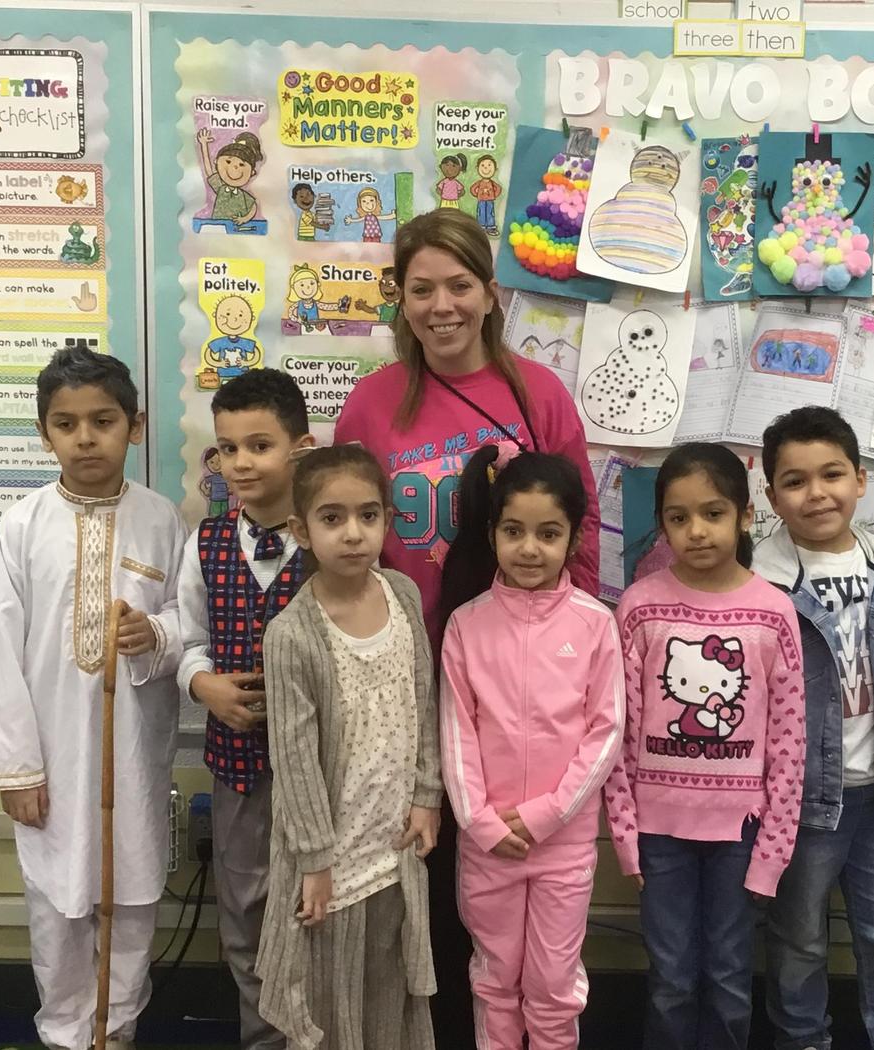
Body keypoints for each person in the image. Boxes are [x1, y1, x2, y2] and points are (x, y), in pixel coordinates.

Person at [333, 208, 600, 1043]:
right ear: (400, 301)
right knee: (430, 860)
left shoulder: (538, 394)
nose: (441, 305)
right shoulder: (374, 404)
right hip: (409, 669)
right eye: (421, 290)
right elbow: (349, 541)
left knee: (509, 853)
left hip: (516, 675)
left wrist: (578, 639)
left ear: (491, 293)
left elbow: (579, 530)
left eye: (459, 285)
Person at [0, 347, 187, 1050]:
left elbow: (193, 627)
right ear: (44, 433)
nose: (86, 437)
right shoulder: (21, 527)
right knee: (57, 907)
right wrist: (16, 770)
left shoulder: (163, 522)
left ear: (136, 425)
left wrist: (152, 632)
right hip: (52, 764)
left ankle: (115, 1030)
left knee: (131, 898)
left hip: (132, 755)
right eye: (66, 424)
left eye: (103, 420)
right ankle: (65, 1033)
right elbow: (0, 657)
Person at [602, 442, 806, 1050]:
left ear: (745, 516)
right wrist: (626, 834)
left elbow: (789, 743)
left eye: (713, 513)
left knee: (727, 975)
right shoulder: (639, 608)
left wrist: (773, 850)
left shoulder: (773, 611)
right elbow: (618, 731)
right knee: (671, 979)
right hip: (658, 834)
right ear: (661, 522)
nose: (696, 531)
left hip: (740, 836)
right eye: (678, 517)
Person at [755, 406, 874, 1050]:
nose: (816, 493)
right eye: (794, 481)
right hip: (797, 803)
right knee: (798, 940)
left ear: (861, 478)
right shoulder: (758, 579)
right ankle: (803, 1040)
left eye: (832, 474)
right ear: (770, 492)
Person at [436, 441, 623, 1050]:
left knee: (552, 983)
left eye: (548, 533)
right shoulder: (466, 625)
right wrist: (481, 823)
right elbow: (456, 732)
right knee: (494, 979)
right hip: (487, 845)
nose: (529, 548)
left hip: (562, 849)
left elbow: (605, 732)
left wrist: (545, 815)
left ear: (573, 539)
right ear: (491, 533)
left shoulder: (596, 624)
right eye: (513, 530)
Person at [254, 444, 442, 1049]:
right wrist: (313, 861)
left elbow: (424, 700)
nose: (353, 534)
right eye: (332, 519)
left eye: (368, 516)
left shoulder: (403, 596)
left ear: (388, 519)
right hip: (331, 858)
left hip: (394, 842)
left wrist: (426, 794)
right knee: (330, 996)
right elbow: (294, 759)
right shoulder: (291, 635)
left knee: (389, 988)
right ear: (300, 531)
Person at [177, 369, 315, 1050]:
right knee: (246, 919)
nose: (240, 462)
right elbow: (189, 637)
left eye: (258, 445)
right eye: (227, 448)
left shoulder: (332, 545)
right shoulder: (204, 544)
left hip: (321, 776)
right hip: (237, 773)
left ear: (300, 448)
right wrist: (203, 684)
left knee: (318, 917)